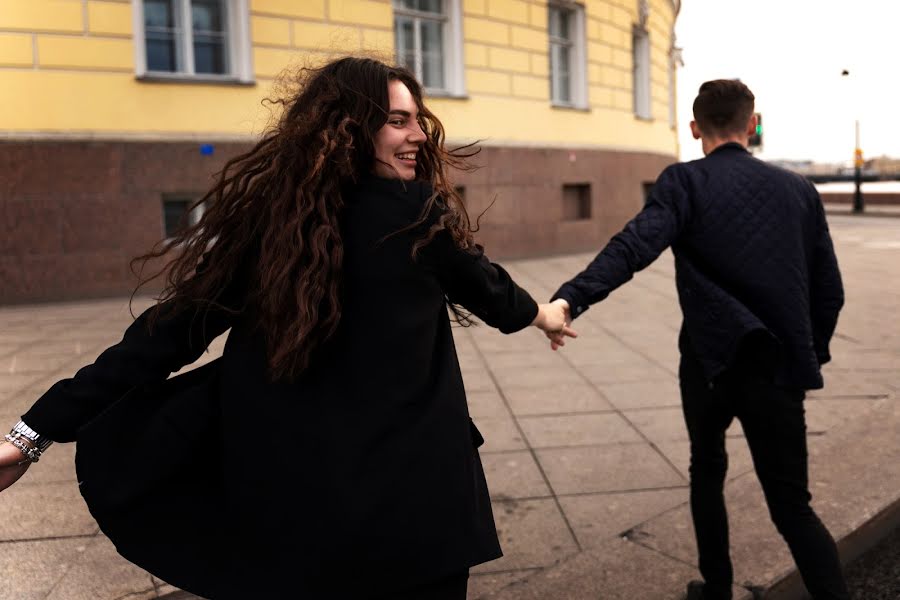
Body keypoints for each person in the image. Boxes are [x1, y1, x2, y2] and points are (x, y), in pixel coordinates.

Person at [0, 57, 575, 599]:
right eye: (398, 121)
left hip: (295, 511)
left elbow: (167, 334)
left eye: (418, 121)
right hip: (417, 508)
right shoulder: (416, 216)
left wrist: (33, 433)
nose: (420, 135)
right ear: (351, 129)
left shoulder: (272, 226)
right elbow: (492, 291)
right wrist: (547, 314)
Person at [546, 80, 848, 600]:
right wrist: (806, 356)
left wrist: (570, 299)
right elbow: (830, 291)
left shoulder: (684, 182)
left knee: (707, 469)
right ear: (752, 124)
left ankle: (717, 587)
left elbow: (634, 246)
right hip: (775, 369)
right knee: (792, 505)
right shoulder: (799, 190)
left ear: (694, 129)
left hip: (708, 363)